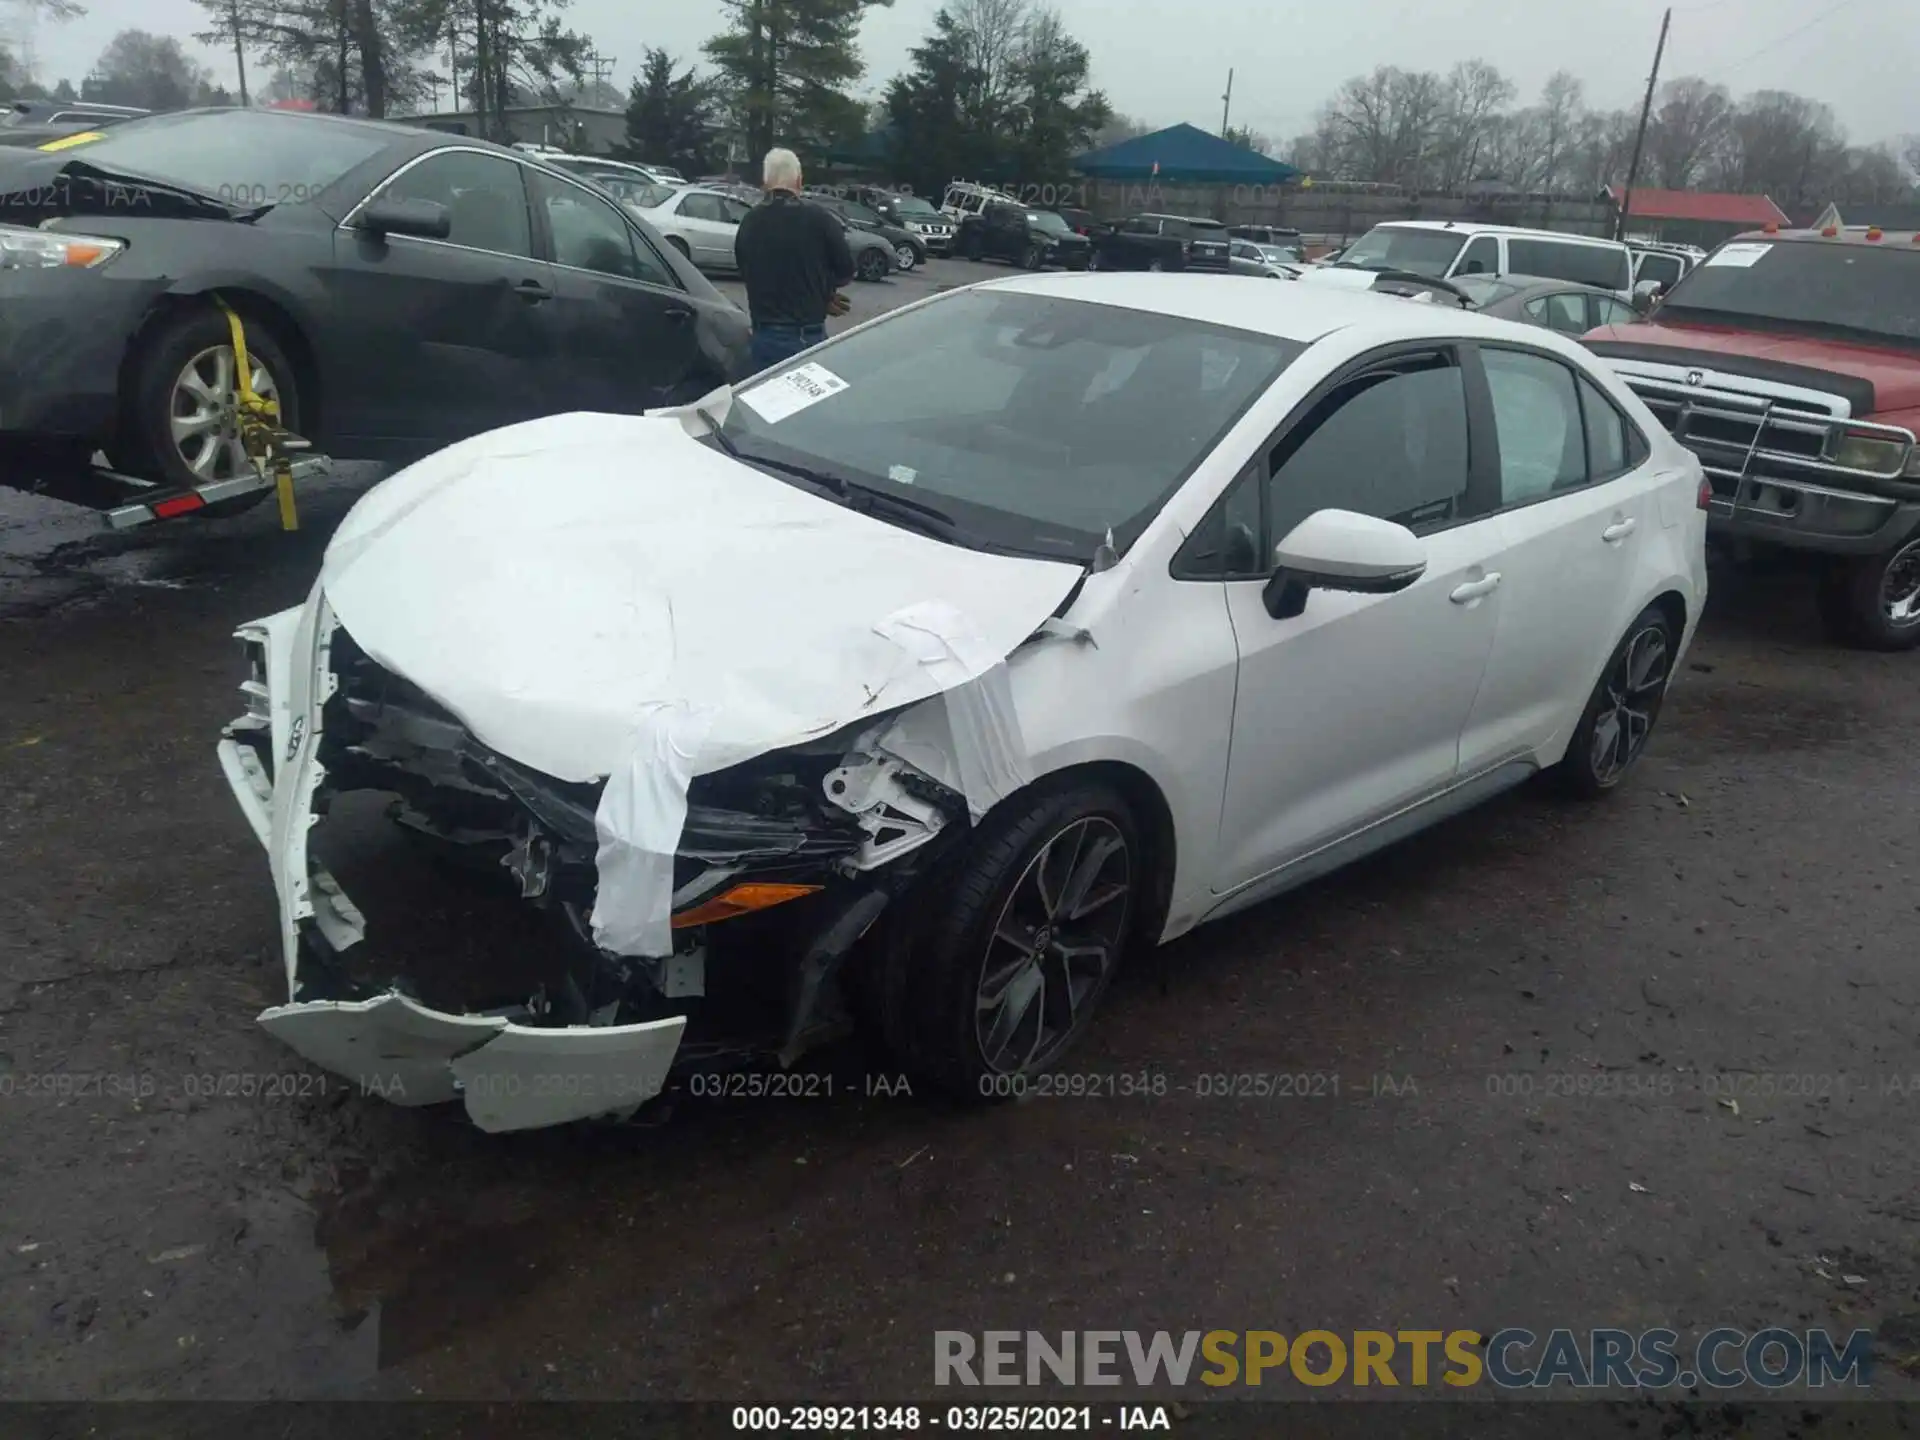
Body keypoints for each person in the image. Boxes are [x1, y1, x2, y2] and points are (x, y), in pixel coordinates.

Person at [733, 148, 854, 371]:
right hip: (806, 336)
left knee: (766, 402)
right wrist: (822, 292)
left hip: (764, 336)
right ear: (799, 181)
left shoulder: (750, 221)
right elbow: (846, 269)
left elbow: (745, 269)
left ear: (765, 182)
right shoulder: (820, 219)